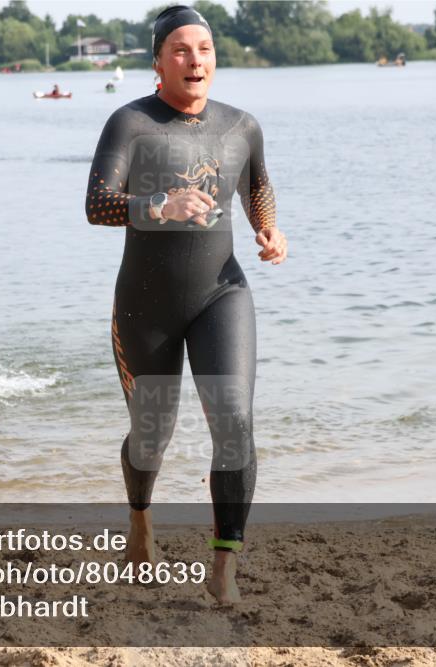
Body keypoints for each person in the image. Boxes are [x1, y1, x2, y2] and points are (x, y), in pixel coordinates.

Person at [85, 5, 288, 604]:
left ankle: (224, 561)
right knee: (152, 434)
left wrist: (270, 230)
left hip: (220, 291)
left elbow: (257, 185)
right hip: (145, 303)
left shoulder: (240, 125)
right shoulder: (130, 123)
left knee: (236, 419)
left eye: (203, 48)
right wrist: (158, 207)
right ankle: (140, 520)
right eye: (179, 49)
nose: (194, 59)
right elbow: (97, 204)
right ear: (157, 62)